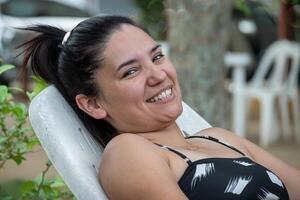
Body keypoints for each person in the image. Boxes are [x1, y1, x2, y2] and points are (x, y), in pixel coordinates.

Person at [19, 15, 300, 200]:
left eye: (157, 57)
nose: (158, 75)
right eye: (130, 72)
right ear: (93, 104)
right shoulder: (129, 152)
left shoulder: (218, 137)